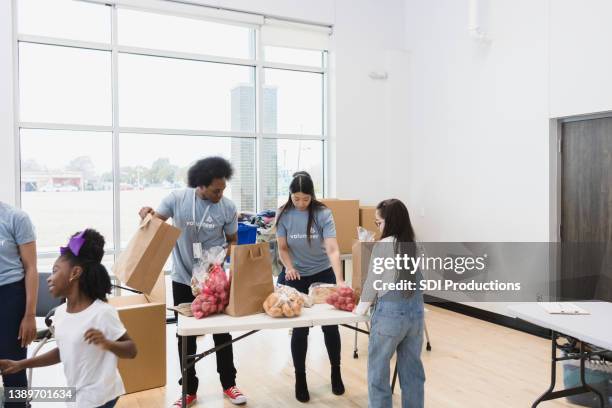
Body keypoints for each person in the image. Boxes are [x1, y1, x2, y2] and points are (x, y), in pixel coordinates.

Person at [139, 156, 246, 407]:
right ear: (200, 185)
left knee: (222, 332)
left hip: (214, 280)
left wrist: (220, 258)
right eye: (215, 190)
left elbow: (233, 241)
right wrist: (146, 213)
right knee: (185, 336)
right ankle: (188, 389)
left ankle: (229, 383)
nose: (220, 193)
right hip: (183, 278)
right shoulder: (177, 199)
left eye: (223, 189)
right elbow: (155, 221)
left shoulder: (227, 208)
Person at [0, 229, 137, 408]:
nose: (49, 279)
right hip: (78, 394)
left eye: (55, 271)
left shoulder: (102, 313)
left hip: (100, 396)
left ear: (75, 273)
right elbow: (62, 351)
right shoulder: (60, 313)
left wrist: (107, 344)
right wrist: (21, 364)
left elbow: (131, 350)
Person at [276, 171, 346, 403]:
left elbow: (333, 249)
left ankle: (336, 372)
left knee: (330, 326)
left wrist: (340, 280)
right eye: (296, 198)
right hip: (296, 276)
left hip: (322, 272)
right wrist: (289, 268)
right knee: (300, 328)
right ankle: (300, 378)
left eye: (305, 199)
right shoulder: (283, 214)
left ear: (312, 196)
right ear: (291, 195)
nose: (301, 203)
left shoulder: (323, 213)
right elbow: (283, 248)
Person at [354, 199, 425, 408]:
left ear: (390, 222)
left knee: (378, 372)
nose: (378, 228)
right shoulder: (416, 244)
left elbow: (371, 284)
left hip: (389, 318)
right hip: (416, 317)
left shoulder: (383, 246)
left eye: (379, 223)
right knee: (413, 374)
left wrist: (359, 310)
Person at [0, 202, 38, 408]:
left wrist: (29, 315)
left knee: (13, 373)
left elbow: (31, 268)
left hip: (10, 298)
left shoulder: (16, 218)